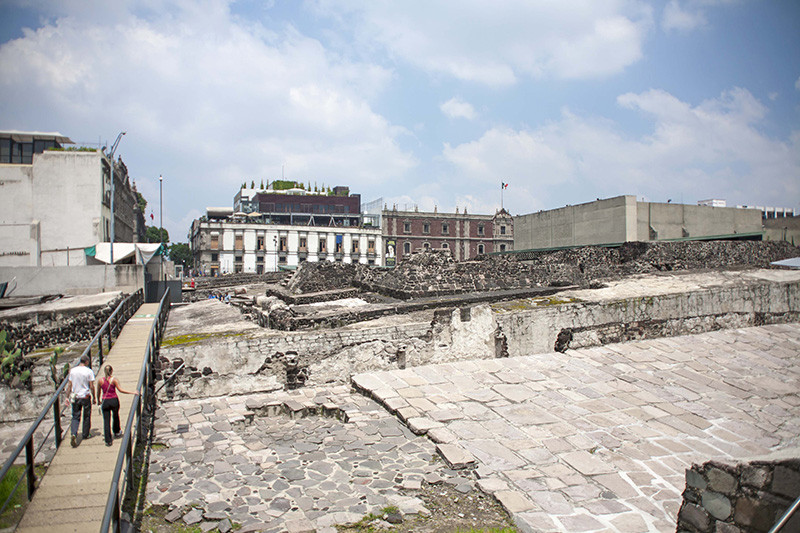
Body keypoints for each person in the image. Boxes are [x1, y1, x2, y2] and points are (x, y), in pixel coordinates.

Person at [96, 365, 138, 446]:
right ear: (111, 371)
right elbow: (120, 390)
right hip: (114, 400)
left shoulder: (100, 381)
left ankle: (108, 440)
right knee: (115, 416)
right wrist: (133, 392)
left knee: (106, 420)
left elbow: (98, 392)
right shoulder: (114, 380)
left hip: (105, 401)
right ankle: (117, 431)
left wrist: (98, 400)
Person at [64, 354, 96, 447]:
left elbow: (69, 385)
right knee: (86, 416)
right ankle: (86, 434)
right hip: (85, 396)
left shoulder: (72, 371)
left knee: (75, 416)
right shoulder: (89, 371)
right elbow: (91, 386)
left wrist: (67, 397)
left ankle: (74, 433)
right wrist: (94, 397)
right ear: (86, 362)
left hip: (76, 396)